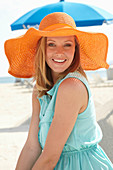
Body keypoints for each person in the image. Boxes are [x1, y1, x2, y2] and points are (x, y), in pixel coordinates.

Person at [4, 12, 113, 170]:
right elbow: (31, 147)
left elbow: (50, 158)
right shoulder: (39, 90)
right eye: (52, 44)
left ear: (75, 49)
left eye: (67, 44)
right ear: (43, 49)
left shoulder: (72, 86)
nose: (59, 51)